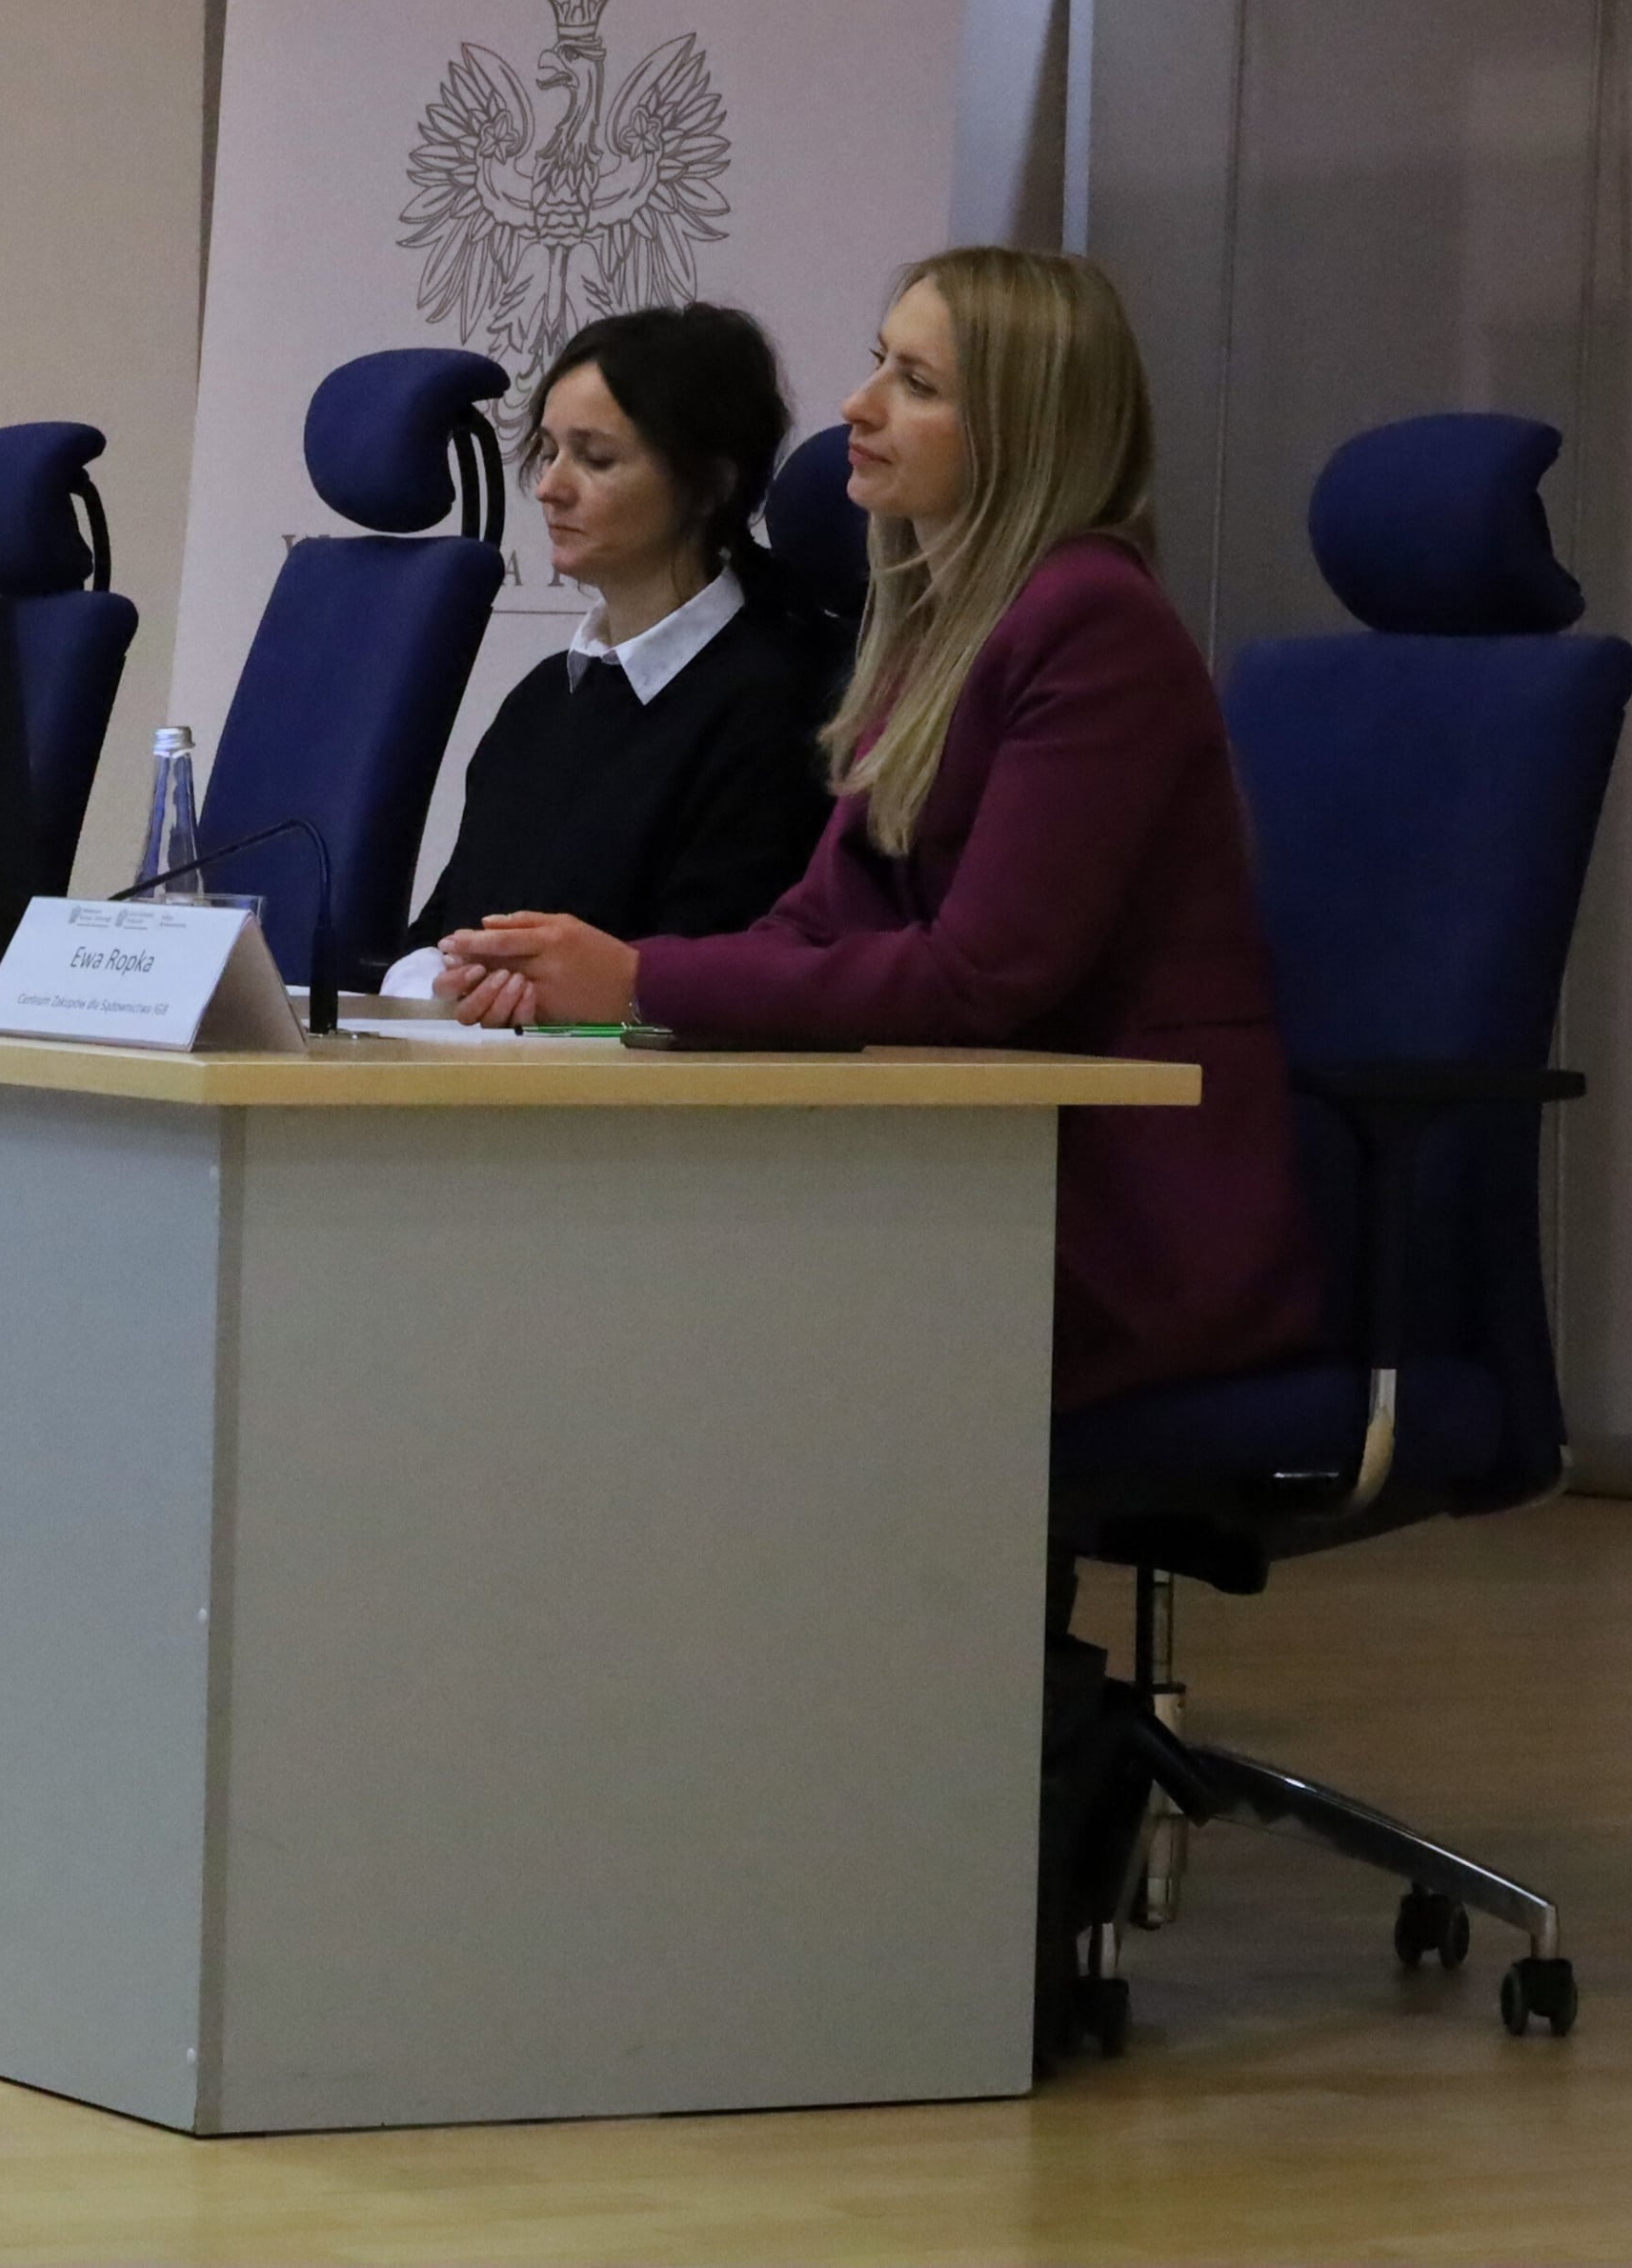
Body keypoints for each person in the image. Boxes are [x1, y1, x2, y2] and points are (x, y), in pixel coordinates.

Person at [436, 247, 1314, 2061]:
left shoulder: (1088, 626)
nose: (853, 409)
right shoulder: (939, 616)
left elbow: (985, 977)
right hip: (976, 1192)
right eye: (872, 364)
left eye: (911, 382)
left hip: (1111, 1218)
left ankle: (843, 1887)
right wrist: (598, 983)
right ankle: (681, 1862)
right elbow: (816, 922)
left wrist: (638, 980)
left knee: (674, 1352)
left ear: (1024, 427)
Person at [389, 305, 837, 1013]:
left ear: (709, 485)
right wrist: (434, 978)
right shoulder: (542, 698)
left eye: (594, 459)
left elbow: (708, 969)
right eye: (548, 452)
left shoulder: (780, 703)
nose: (549, 486)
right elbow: (444, 927)